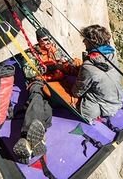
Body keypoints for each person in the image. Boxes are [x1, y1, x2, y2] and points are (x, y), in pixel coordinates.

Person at [13, 27, 80, 164]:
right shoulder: (32, 53)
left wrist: (76, 67)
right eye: (45, 40)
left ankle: (30, 143)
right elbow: (28, 72)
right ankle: (29, 136)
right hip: (39, 82)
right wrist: (44, 68)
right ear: (39, 41)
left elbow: (67, 68)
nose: (48, 41)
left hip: (54, 85)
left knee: (47, 107)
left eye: (49, 38)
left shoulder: (56, 51)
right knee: (37, 99)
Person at [71, 24, 123, 123]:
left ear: (92, 42)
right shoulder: (112, 57)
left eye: (85, 39)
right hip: (118, 100)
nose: (83, 42)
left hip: (101, 108)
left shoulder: (88, 67)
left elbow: (77, 91)